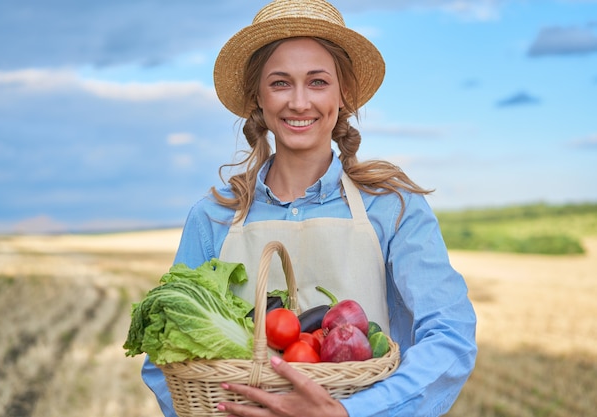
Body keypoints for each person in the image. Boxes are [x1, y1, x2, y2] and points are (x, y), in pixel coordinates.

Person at [142, 0, 477, 416]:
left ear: (344, 94)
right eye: (280, 83)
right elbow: (164, 354)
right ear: (257, 97)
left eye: (317, 82)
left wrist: (350, 413)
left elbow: (450, 336)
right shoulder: (212, 217)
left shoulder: (393, 207)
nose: (299, 103)